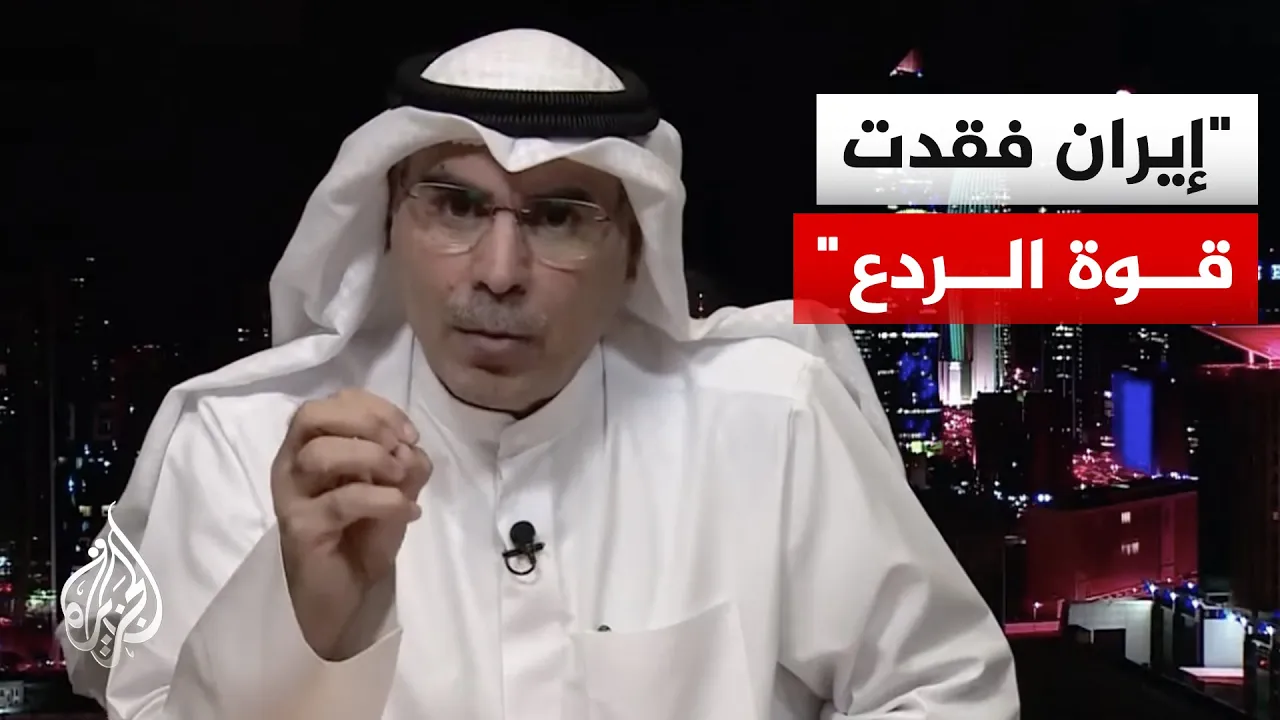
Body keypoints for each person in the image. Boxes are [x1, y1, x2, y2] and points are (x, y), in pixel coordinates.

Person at [61, 29, 1019, 720]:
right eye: (453, 205)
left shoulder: (769, 421)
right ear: (388, 222)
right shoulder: (242, 444)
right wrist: (295, 618)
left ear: (633, 249)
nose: (498, 271)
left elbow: (943, 688)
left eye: (559, 216)